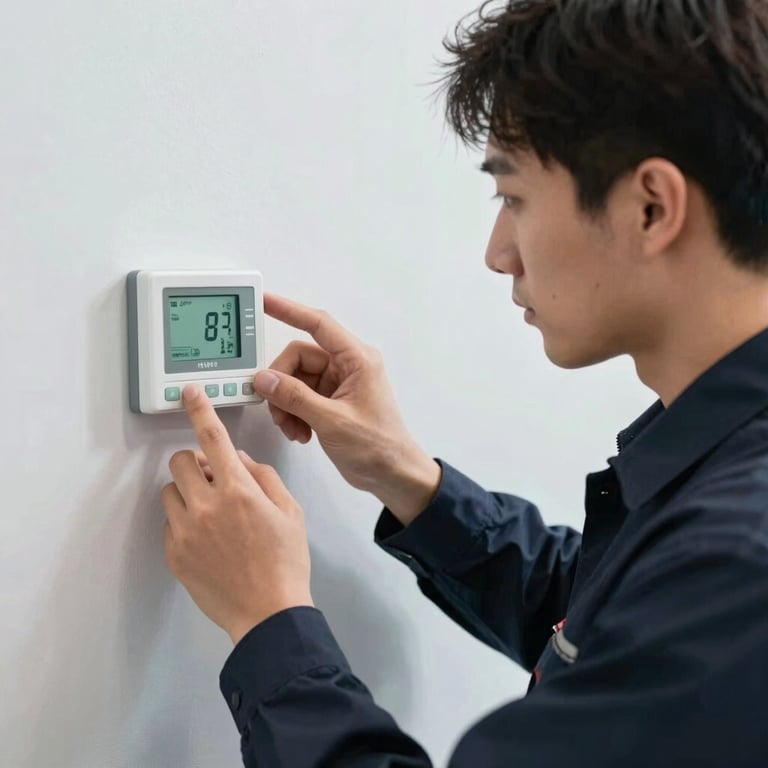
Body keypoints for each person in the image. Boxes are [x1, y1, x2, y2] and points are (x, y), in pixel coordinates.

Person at [159, 1, 768, 765]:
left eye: (513, 198)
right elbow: (613, 630)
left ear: (651, 207)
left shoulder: (740, 569)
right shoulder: (723, 526)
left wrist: (268, 618)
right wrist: (410, 480)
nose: (497, 252)